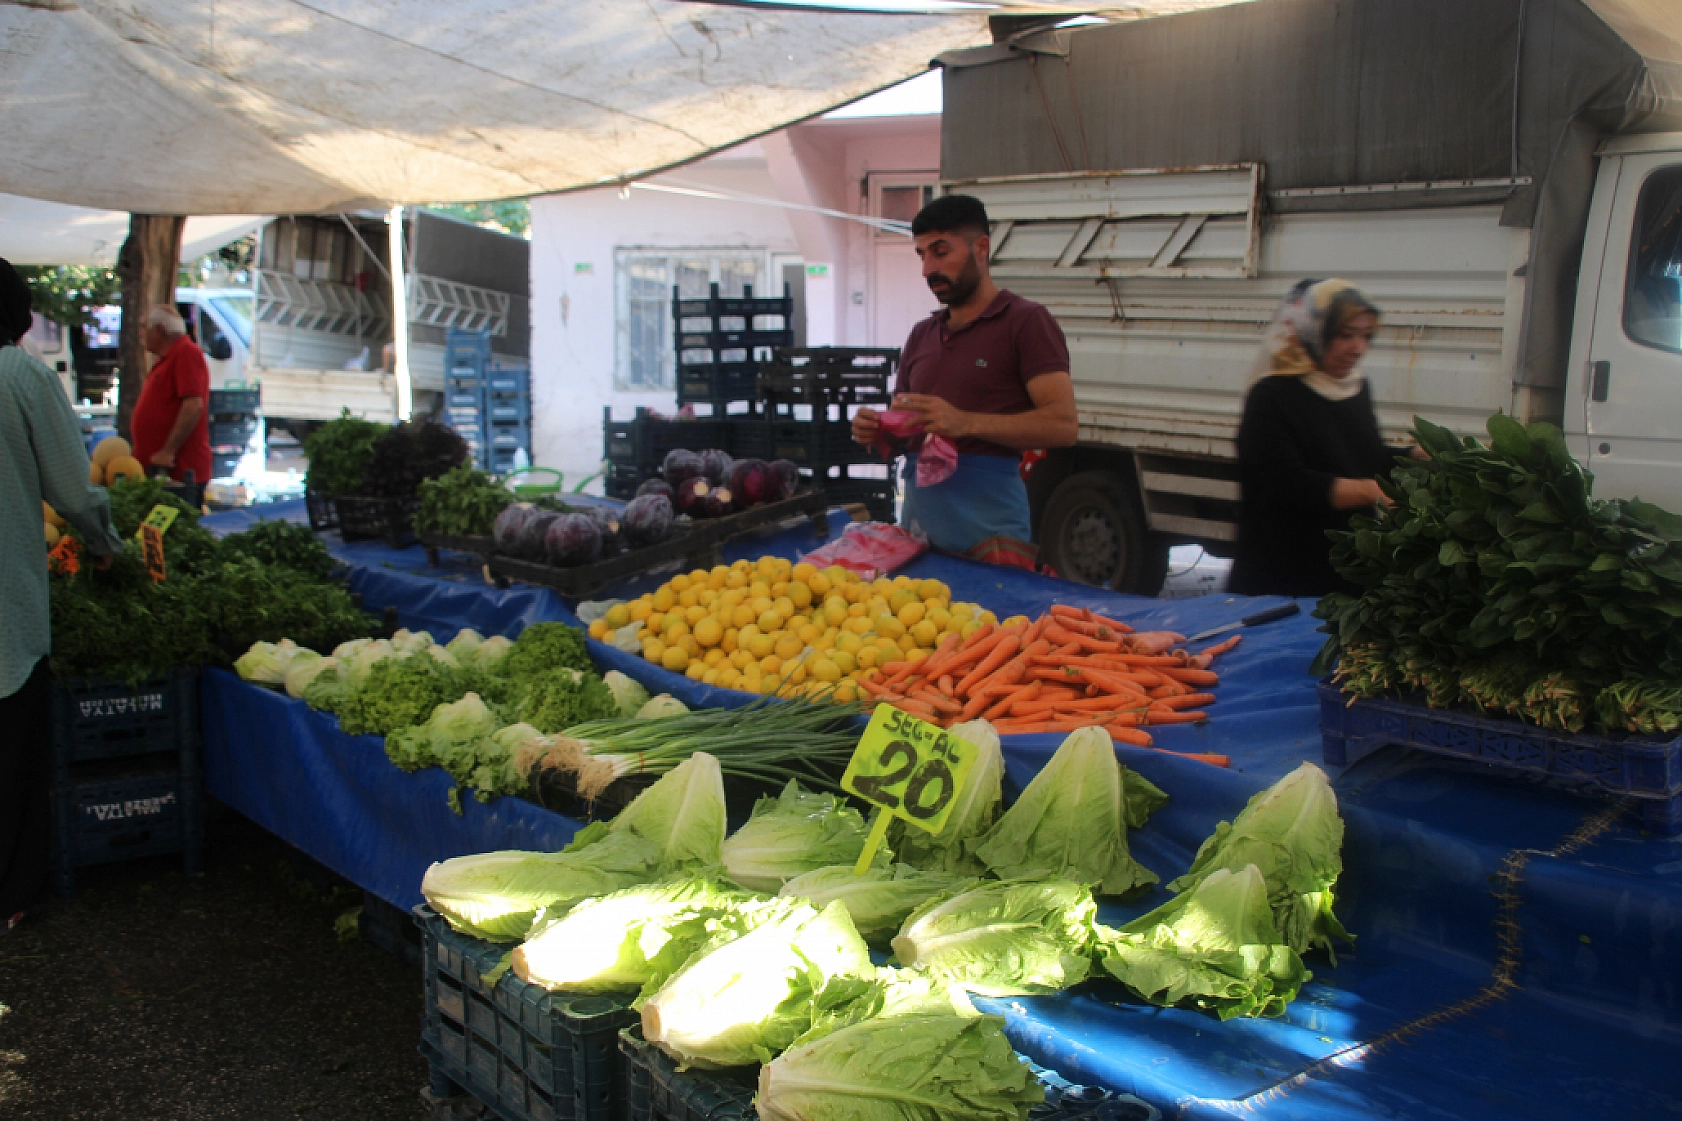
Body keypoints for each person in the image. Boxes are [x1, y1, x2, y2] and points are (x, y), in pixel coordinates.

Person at [851, 194, 1078, 567]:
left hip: (991, 537)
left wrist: (965, 422)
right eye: (922, 255)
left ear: (981, 248)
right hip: (919, 534)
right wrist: (877, 429)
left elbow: (1063, 425)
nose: (928, 269)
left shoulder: (1026, 322)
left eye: (941, 252)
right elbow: (904, 427)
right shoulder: (921, 334)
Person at [0, 258, 124, 932]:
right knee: (11, 759)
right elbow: (74, 489)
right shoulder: (20, 375)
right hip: (5, 615)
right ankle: (10, 896)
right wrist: (104, 542)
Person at [1228, 278, 1414, 597]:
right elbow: (1282, 483)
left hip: (1346, 573)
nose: (1358, 348)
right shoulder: (1271, 395)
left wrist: (1414, 457)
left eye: (1366, 336)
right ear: (1314, 332)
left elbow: (1363, 457)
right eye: (1345, 335)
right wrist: (1367, 491)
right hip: (1283, 577)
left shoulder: (1355, 388)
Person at [132, 305, 211, 483]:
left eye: (144, 327)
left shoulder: (185, 352)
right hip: (158, 470)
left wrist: (168, 451)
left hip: (179, 470)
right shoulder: (166, 357)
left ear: (159, 329)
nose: (140, 334)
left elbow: (193, 405)